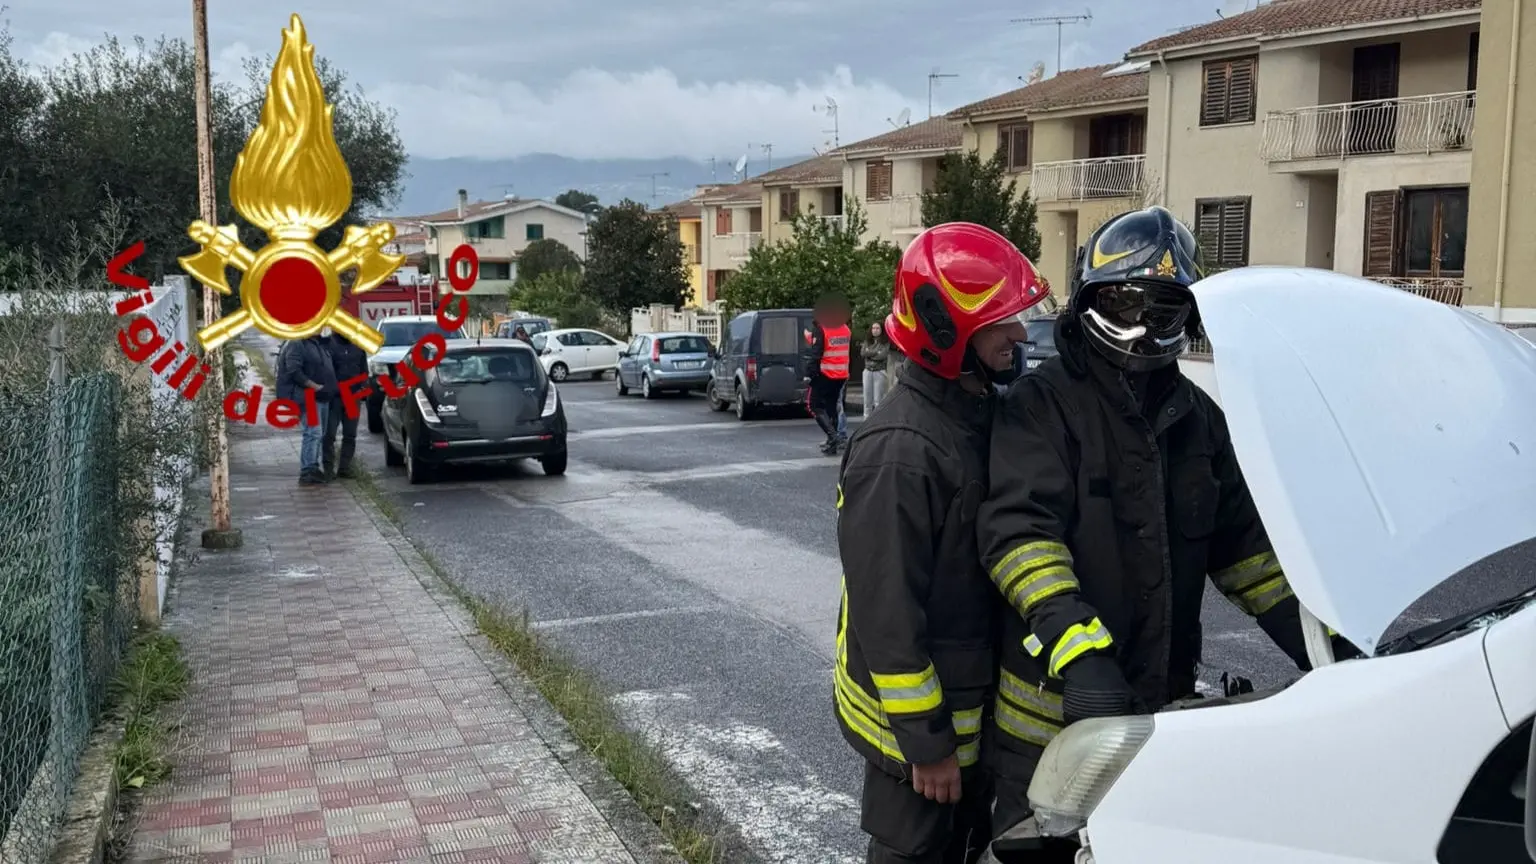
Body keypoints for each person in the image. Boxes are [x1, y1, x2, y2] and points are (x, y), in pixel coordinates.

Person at [976, 206, 1360, 848]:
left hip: (1158, 715)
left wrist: (1321, 641)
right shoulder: (1040, 407)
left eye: (1163, 310)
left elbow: (1248, 554)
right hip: (1051, 718)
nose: (1142, 328)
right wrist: (1083, 656)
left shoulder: (1199, 421)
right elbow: (1020, 537)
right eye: (1125, 305)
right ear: (1088, 300)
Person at [834, 222, 1054, 864]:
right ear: (945, 330)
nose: (1019, 335)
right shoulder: (899, 452)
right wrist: (927, 746)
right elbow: (887, 618)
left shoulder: (975, 415)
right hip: (922, 743)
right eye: (1001, 322)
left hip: (967, 718)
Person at [276, 331, 338, 486]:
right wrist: (314, 386)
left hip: (322, 397)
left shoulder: (317, 343)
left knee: (319, 433)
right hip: (307, 396)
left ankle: (313, 468)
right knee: (313, 432)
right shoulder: (297, 343)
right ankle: (308, 470)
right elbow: (294, 370)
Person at [804, 296, 853, 455]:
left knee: (814, 406)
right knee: (832, 408)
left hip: (825, 374)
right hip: (841, 375)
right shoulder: (845, 329)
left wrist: (809, 374)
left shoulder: (822, 328)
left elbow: (817, 352)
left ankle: (832, 437)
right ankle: (833, 441)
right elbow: (833, 345)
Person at [322, 327, 367, 479]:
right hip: (334, 398)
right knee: (329, 435)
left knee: (350, 435)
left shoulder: (359, 346)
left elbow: (364, 370)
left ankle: (344, 468)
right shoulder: (328, 345)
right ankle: (328, 469)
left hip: (352, 397)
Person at [860, 321, 890, 415]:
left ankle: (878, 423)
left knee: (878, 400)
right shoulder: (867, 341)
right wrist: (876, 352)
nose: (875, 330)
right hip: (867, 371)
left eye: (877, 328)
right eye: (873, 328)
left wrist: (870, 353)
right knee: (867, 400)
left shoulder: (885, 342)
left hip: (879, 372)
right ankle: (866, 423)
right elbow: (863, 353)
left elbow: (882, 356)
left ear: (881, 330)